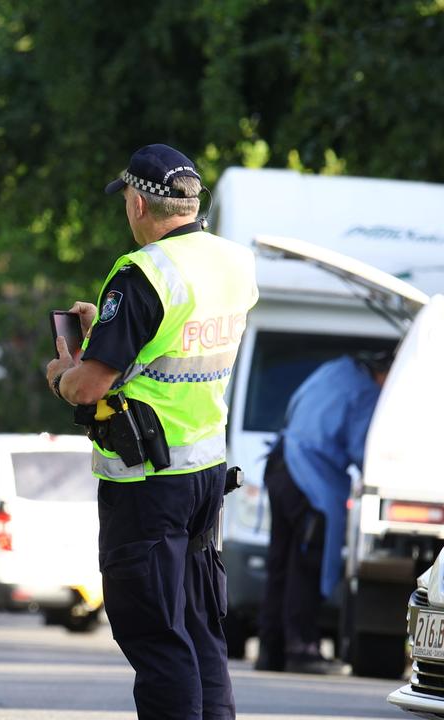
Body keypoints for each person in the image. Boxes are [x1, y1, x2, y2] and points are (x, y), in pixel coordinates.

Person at [45, 144, 258, 720]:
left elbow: (90, 386)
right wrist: (111, 330)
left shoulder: (143, 274)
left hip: (146, 484)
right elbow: (176, 341)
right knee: (199, 630)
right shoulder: (234, 262)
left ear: (138, 203)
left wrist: (63, 374)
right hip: (205, 475)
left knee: (157, 639)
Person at [255, 352, 391, 674]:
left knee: (281, 562)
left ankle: (270, 651)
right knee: (306, 563)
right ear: (383, 373)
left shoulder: (335, 369)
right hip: (309, 477)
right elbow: (362, 450)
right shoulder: (366, 391)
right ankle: (302, 651)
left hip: (280, 465)